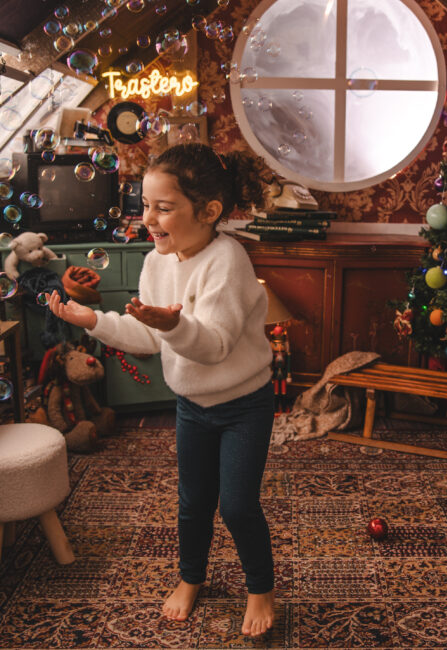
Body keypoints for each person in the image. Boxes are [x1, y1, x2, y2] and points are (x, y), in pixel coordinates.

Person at [47, 143, 276, 637]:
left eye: (163, 207)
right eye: (145, 204)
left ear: (209, 211)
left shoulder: (227, 262)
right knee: (193, 501)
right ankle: (191, 577)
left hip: (243, 405)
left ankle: (260, 587)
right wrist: (94, 321)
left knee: (236, 505)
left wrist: (170, 326)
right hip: (192, 405)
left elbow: (213, 346)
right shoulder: (157, 261)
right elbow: (148, 338)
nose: (148, 218)